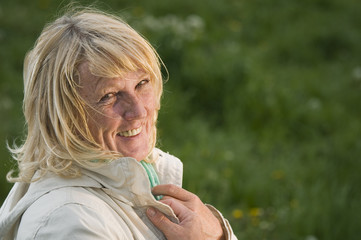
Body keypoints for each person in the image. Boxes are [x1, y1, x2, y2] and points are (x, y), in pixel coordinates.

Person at [0, 7, 237, 240]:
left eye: (142, 83)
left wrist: (217, 235)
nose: (138, 110)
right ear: (62, 116)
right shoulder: (69, 223)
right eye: (109, 95)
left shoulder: (138, 177)